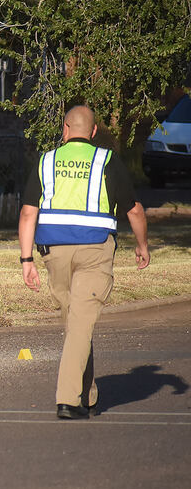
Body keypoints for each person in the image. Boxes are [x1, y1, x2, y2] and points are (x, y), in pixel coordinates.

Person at [18, 105, 150, 419]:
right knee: (79, 325)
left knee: (76, 324)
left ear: (65, 129)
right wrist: (142, 245)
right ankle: (67, 399)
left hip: (55, 253)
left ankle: (86, 395)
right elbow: (134, 210)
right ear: (92, 133)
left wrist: (26, 259)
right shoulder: (107, 160)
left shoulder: (46, 161)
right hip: (95, 251)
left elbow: (27, 213)